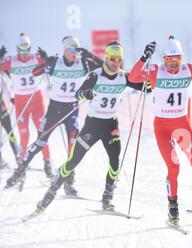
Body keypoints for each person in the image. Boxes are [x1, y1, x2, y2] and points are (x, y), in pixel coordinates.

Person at [33, 41, 148, 214]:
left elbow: (147, 86)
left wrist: (146, 60)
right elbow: (78, 94)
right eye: (112, 59)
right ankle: (51, 191)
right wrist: (85, 94)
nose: (115, 63)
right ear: (106, 58)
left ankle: (107, 198)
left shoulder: (124, 76)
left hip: (111, 125)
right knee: (73, 161)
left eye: (118, 59)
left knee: (115, 160)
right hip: (92, 125)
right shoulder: (95, 75)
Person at [128, 36, 192, 225]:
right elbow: (133, 77)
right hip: (163, 129)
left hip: (182, 126)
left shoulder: (188, 69)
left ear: (181, 58)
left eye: (177, 59)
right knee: (174, 167)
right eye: (169, 59)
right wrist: (144, 57)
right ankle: (173, 206)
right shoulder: (155, 71)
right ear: (164, 58)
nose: (173, 63)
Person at [5, 36, 103, 193]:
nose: (75, 53)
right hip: (55, 109)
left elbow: (105, 67)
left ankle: (69, 181)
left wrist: (89, 54)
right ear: (64, 50)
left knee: (73, 146)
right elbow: (35, 73)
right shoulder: (56, 62)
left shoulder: (83, 63)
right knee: (40, 142)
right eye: (72, 50)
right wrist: (46, 63)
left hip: (72, 109)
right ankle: (19, 171)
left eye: (77, 50)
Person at [0, 33, 52, 177]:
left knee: (43, 133)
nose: (24, 55)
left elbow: (54, 65)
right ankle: (21, 166)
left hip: (36, 101)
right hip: (21, 102)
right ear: (17, 50)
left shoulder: (36, 58)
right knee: (24, 135)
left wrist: (47, 59)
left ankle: (47, 163)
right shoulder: (10, 61)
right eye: (21, 52)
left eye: (27, 51)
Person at [0, 73, 20, 168]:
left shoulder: (2, 75)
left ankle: (18, 157)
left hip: (2, 111)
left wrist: (13, 100)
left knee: (10, 133)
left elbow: (8, 88)